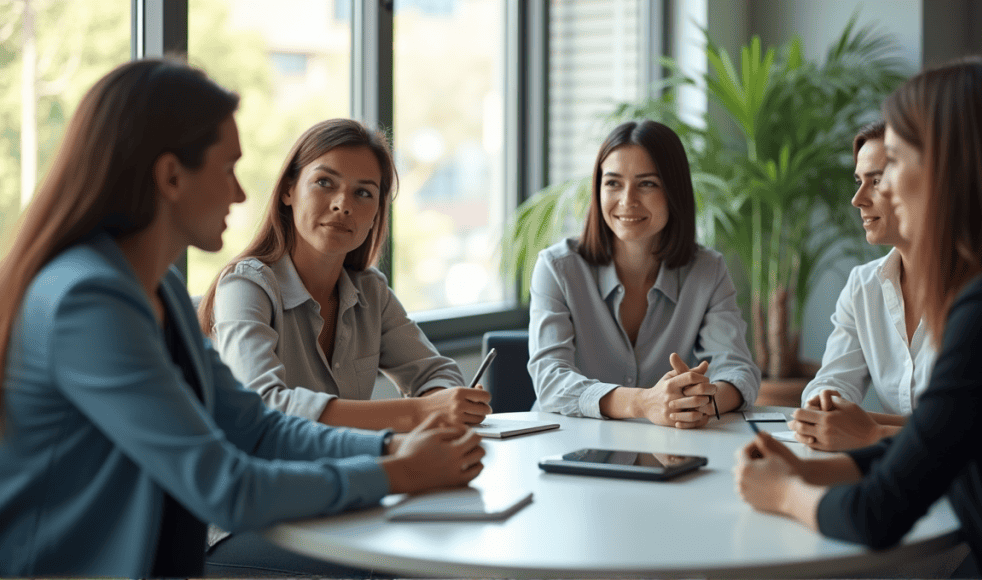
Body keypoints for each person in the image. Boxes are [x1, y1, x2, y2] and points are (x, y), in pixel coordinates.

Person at [0, 59, 484, 578]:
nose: (240, 193)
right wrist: (401, 468)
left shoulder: (157, 287)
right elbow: (225, 486)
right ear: (170, 176)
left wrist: (390, 446)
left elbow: (257, 427)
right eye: (228, 169)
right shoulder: (88, 301)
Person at [734, 56, 982, 577]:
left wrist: (784, 492)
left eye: (895, 162)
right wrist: (812, 469)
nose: (880, 191)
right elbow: (944, 443)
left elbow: (877, 514)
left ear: (949, 166)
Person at [197, 119, 492, 434]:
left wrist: (441, 403)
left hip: (351, 471)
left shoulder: (370, 292)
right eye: (325, 182)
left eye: (363, 192)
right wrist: (419, 411)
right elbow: (263, 406)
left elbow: (437, 373)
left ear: (377, 211)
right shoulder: (246, 286)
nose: (343, 205)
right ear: (288, 190)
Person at [528, 120, 760, 427]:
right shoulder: (557, 268)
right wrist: (644, 402)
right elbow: (551, 381)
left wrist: (698, 402)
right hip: (566, 445)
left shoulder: (707, 270)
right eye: (612, 183)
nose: (627, 200)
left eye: (647, 183)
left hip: (666, 449)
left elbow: (739, 372)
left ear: (674, 191)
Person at [791, 121, 936, 451]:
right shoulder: (863, 285)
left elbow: (972, 426)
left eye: (876, 180)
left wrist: (867, 428)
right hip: (895, 472)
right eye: (859, 181)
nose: (857, 199)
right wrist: (824, 406)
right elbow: (832, 379)